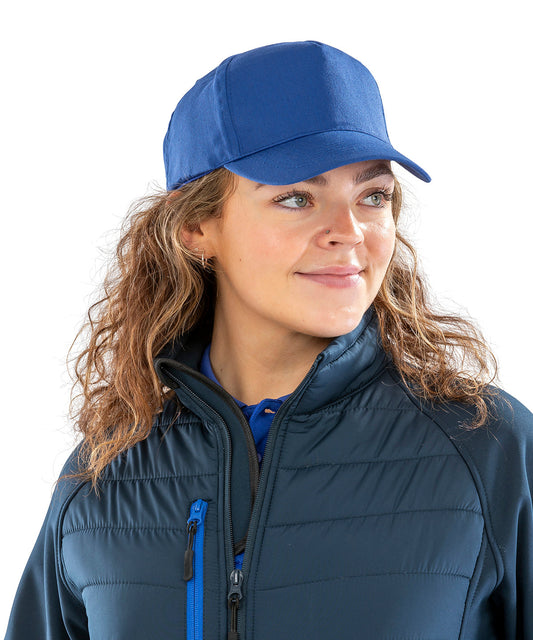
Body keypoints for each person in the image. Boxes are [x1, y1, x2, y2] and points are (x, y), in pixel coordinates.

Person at [5, 40, 532, 640]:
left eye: (373, 196)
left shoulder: (487, 450)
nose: (349, 231)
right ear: (195, 226)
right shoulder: (104, 478)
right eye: (296, 198)